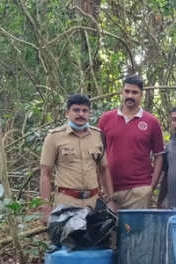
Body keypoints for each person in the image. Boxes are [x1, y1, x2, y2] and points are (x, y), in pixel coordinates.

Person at [39, 94, 117, 222]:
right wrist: (46, 209)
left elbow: (103, 170)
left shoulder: (98, 136)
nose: (81, 114)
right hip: (67, 202)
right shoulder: (54, 137)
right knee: (66, 241)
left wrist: (111, 199)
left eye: (85, 110)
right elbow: (45, 174)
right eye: (76, 110)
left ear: (89, 113)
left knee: (94, 240)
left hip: (93, 203)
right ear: (67, 112)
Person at [98, 74, 165, 209]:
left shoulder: (151, 122)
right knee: (110, 230)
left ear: (141, 95)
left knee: (137, 230)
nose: (130, 95)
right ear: (121, 92)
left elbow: (159, 155)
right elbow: (97, 153)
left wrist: (150, 187)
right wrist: (97, 185)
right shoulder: (106, 119)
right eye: (127, 91)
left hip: (139, 189)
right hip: (110, 189)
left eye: (135, 92)